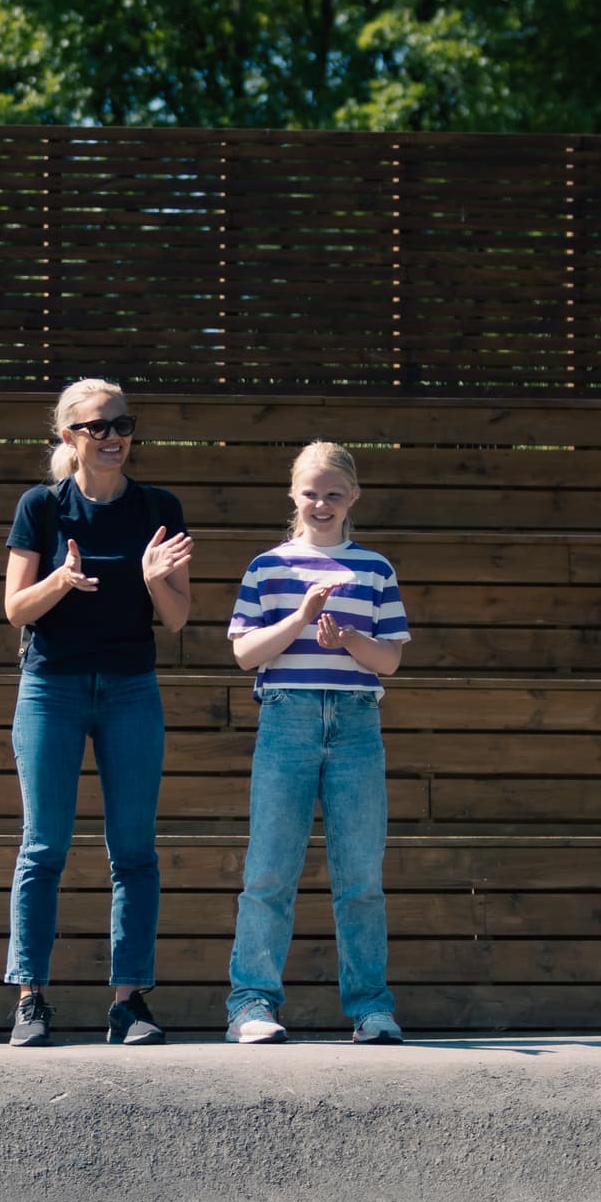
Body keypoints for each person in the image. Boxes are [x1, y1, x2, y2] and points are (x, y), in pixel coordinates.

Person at [0, 377, 195, 1044]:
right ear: (69, 438)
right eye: (96, 426)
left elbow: (176, 620)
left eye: (122, 424)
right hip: (50, 687)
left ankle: (129, 1003)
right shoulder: (42, 507)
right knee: (44, 847)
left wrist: (150, 580)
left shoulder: (158, 507)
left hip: (131, 689)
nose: (112, 436)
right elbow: (14, 610)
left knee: (134, 851)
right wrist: (60, 580)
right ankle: (31, 999)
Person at [224, 441, 410, 1044]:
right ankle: (250, 1006)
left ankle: (371, 1008)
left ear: (353, 496)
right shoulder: (267, 567)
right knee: (269, 871)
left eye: (334, 493)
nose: (322, 504)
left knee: (360, 875)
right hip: (287, 719)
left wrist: (349, 638)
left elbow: (389, 662)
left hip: (356, 723)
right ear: (293, 495)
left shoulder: (374, 570)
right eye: (311, 493)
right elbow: (245, 653)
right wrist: (300, 619)